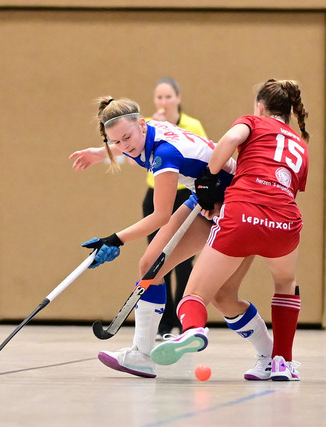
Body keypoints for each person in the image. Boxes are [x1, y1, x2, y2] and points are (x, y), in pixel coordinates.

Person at [68, 96, 275, 380]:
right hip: (206, 197)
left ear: (142, 125)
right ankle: (141, 355)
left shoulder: (164, 154)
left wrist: (114, 239)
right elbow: (124, 143)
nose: (124, 146)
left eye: (126, 138)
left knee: (224, 297)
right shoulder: (142, 133)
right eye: (116, 141)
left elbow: (161, 216)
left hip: (238, 202)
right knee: (150, 265)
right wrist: (99, 152)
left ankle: (270, 357)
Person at [150, 79, 310, 381]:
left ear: (260, 107)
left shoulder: (252, 122)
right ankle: (281, 361)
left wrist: (208, 178)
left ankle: (193, 330)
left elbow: (231, 139)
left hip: (242, 217)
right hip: (284, 224)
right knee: (283, 283)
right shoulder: (300, 145)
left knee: (195, 295)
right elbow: (286, 189)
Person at [144, 78, 207, 337]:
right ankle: (163, 320)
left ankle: (183, 319)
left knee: (182, 261)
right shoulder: (149, 125)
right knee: (156, 258)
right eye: (159, 97)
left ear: (178, 98)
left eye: (168, 97)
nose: (164, 102)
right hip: (156, 196)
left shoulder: (192, 125)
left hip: (185, 195)